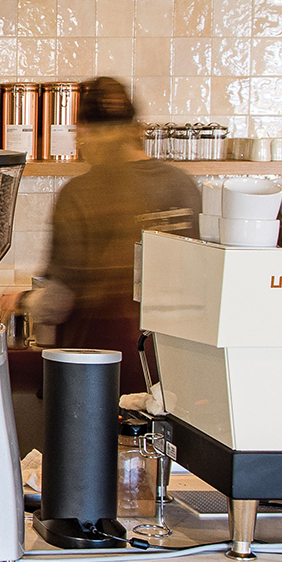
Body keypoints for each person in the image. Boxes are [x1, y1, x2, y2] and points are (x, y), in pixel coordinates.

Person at [35, 77, 200, 393]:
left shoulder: (80, 193)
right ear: (136, 128)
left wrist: (26, 302)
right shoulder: (182, 186)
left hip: (96, 374)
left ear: (86, 132)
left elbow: (58, 302)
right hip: (171, 371)